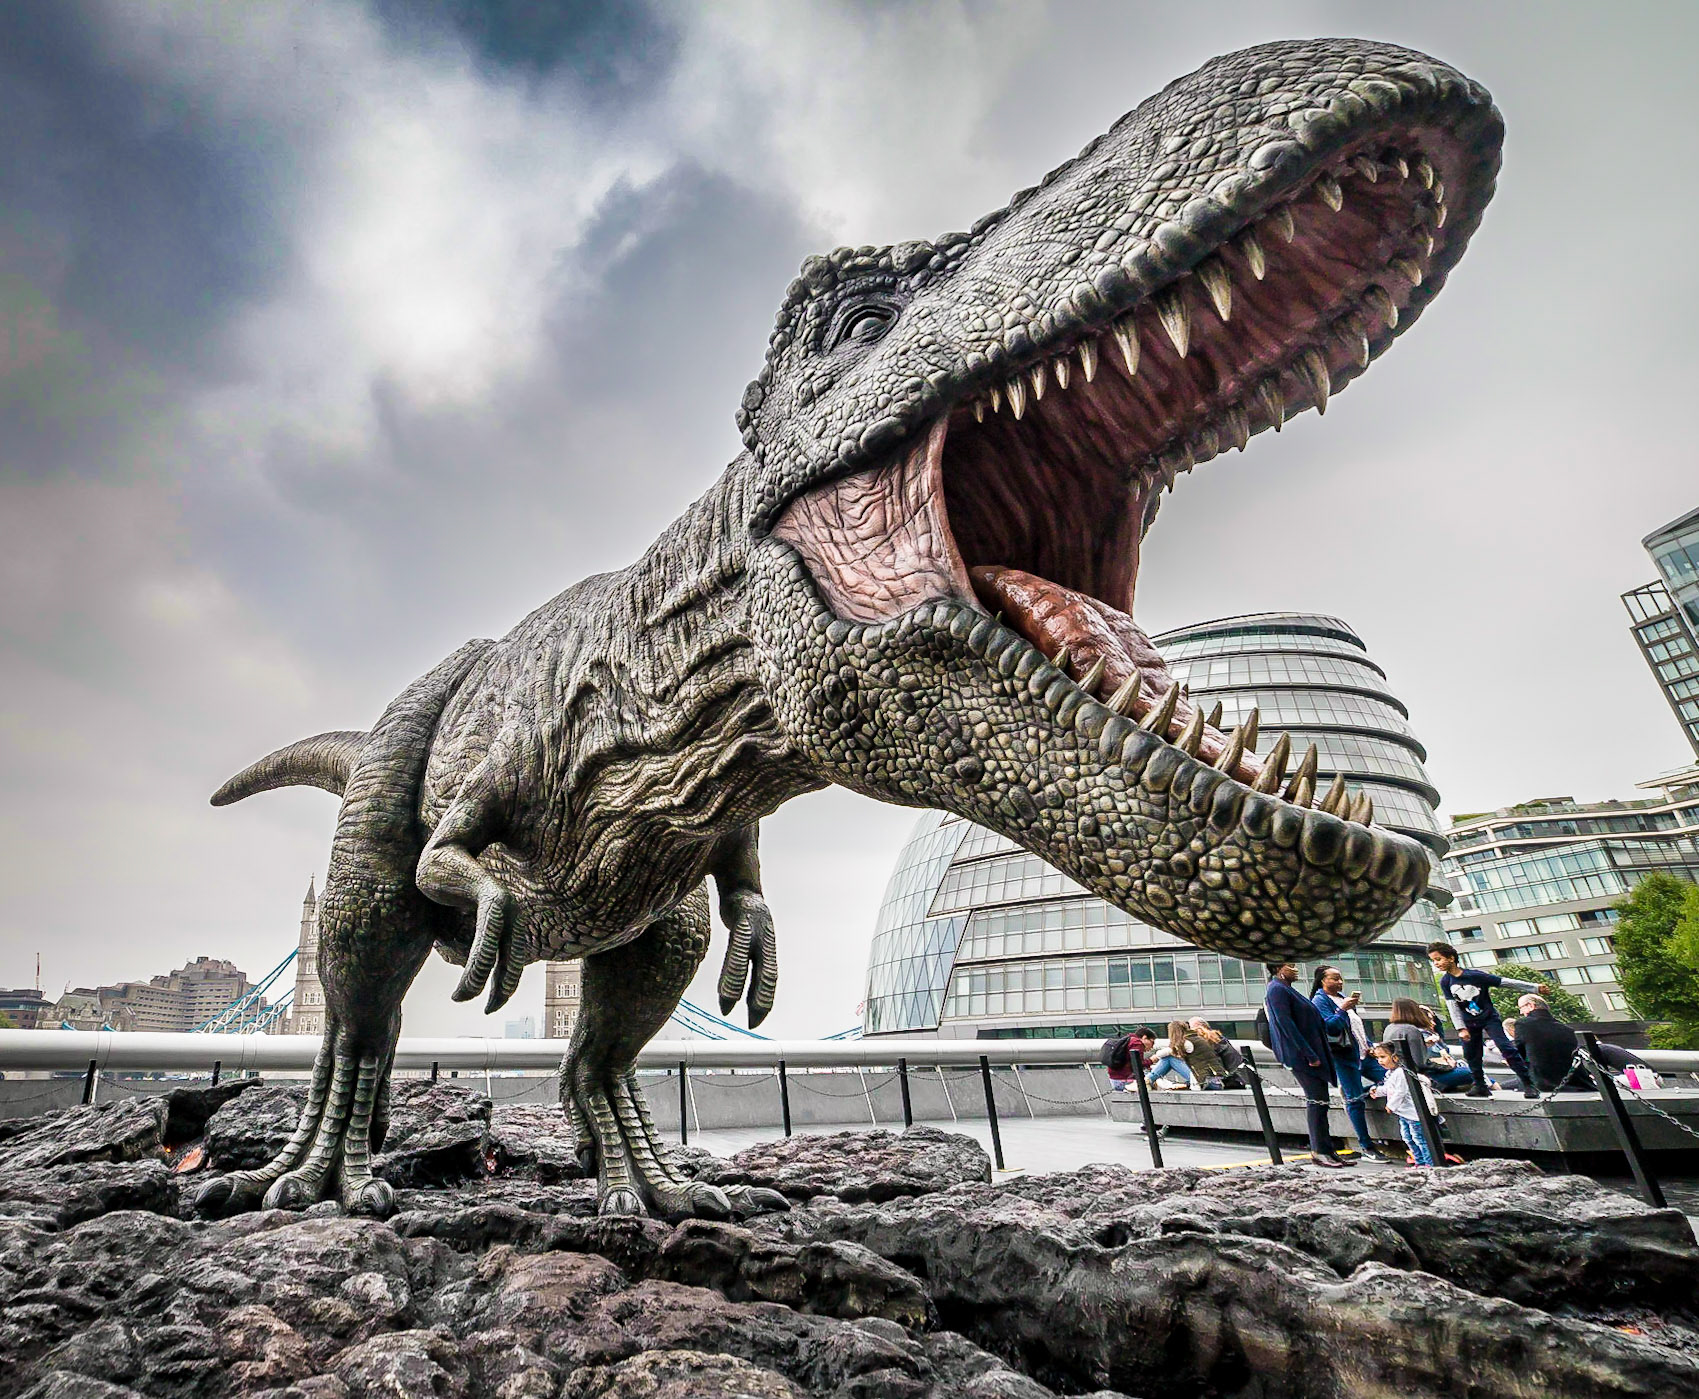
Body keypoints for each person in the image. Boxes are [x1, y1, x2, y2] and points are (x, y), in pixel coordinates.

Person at [1425, 942, 1544, 1098]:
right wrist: (1461, 1028)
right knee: (1471, 1054)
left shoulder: (1475, 976)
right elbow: (1452, 1006)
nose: (1436, 963)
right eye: (1433, 961)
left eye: (1438, 959)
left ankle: (1528, 1083)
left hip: (1488, 1018)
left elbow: (1505, 982)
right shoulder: (1446, 982)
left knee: (1506, 1048)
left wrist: (1534, 988)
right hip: (1468, 1022)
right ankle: (1480, 1085)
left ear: (1451, 958)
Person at [1263, 961, 1353, 1167]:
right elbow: (1286, 1025)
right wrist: (1309, 1054)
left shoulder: (1286, 989)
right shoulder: (1276, 989)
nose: (1295, 969)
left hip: (1311, 1053)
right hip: (1303, 1057)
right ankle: (1319, 1151)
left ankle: (1327, 1149)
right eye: (1290, 966)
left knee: (1320, 1102)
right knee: (1317, 1102)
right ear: (1279, 969)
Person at [1311, 965, 1399, 1161]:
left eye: (1340, 978)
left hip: (1364, 1055)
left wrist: (1369, 1045)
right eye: (1334, 979)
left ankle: (1366, 1091)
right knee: (1354, 1100)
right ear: (1322, 981)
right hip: (1343, 1057)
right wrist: (1342, 1010)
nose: (1339, 982)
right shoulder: (1319, 1000)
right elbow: (1330, 1028)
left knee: (1393, 1079)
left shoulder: (1343, 998)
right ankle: (1367, 1146)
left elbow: (1356, 1027)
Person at [1383, 997, 1474, 1092]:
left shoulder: (1389, 1028)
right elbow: (1421, 1063)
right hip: (1419, 1076)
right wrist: (1448, 1067)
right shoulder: (1412, 1030)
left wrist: (1424, 1044)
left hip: (1397, 1074)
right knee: (1470, 1072)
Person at [1369, 1042, 1437, 1167]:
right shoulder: (1390, 1073)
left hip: (1413, 1114)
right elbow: (1389, 1088)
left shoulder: (1401, 1072)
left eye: (1383, 1057)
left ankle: (1428, 1164)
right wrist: (1377, 1091)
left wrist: (1391, 1105)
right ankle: (1419, 1161)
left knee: (1419, 1139)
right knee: (1409, 1139)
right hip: (1403, 1113)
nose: (1379, 1061)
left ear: (1395, 1057)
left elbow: (1401, 1091)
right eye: (1377, 1058)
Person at [1511, 994, 1590, 1092]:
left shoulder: (1523, 1024)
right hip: (1578, 1083)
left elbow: (1518, 1055)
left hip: (1544, 1083)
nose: (1521, 1012)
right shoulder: (1567, 1029)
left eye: (1521, 1008)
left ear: (1531, 1006)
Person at [1188, 1018, 1245, 1087]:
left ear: (1201, 1027)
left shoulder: (1208, 1041)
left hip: (1234, 1079)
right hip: (1240, 1076)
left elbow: (1217, 1066)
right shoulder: (1217, 1037)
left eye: (1192, 1028)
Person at [1147, 1021, 1195, 1090]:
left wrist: (1154, 1057)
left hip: (1200, 1079)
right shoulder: (1191, 1039)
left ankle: (1147, 1080)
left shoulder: (1186, 1043)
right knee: (1168, 1057)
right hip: (1205, 1077)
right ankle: (1149, 1080)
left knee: (1169, 1058)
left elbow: (1161, 1054)